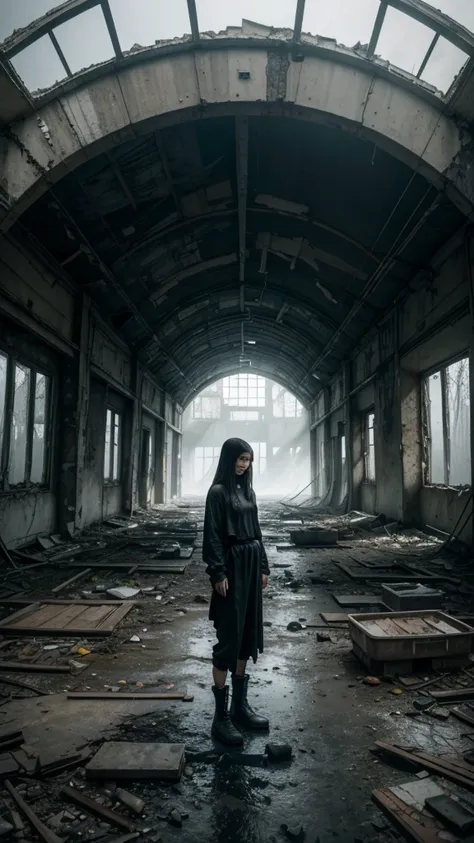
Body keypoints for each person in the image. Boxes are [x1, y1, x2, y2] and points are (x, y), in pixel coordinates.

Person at [203, 437, 270, 746]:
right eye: (240, 459)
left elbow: (256, 530)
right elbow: (213, 535)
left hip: (251, 565)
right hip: (231, 569)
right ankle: (221, 718)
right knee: (229, 637)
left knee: (246, 635)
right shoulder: (218, 493)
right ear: (228, 459)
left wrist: (264, 567)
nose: (244, 464)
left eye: (248, 459)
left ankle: (239, 707)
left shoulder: (250, 491)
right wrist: (217, 572)